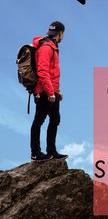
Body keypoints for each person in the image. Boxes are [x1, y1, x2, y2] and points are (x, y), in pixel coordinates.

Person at [30, 21, 68, 162]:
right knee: (38, 121)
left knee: (55, 119)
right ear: (61, 33)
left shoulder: (52, 46)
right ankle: (35, 153)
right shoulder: (46, 47)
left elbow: (52, 73)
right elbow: (42, 72)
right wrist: (51, 92)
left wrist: (57, 91)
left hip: (51, 91)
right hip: (44, 91)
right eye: (63, 34)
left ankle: (51, 151)